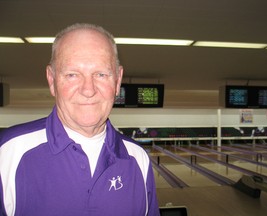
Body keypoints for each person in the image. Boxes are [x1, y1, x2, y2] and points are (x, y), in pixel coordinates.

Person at [0, 23, 159, 216]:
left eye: (101, 74)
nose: (88, 90)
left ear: (117, 81)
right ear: (52, 80)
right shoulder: (8, 153)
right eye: (72, 74)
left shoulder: (139, 158)